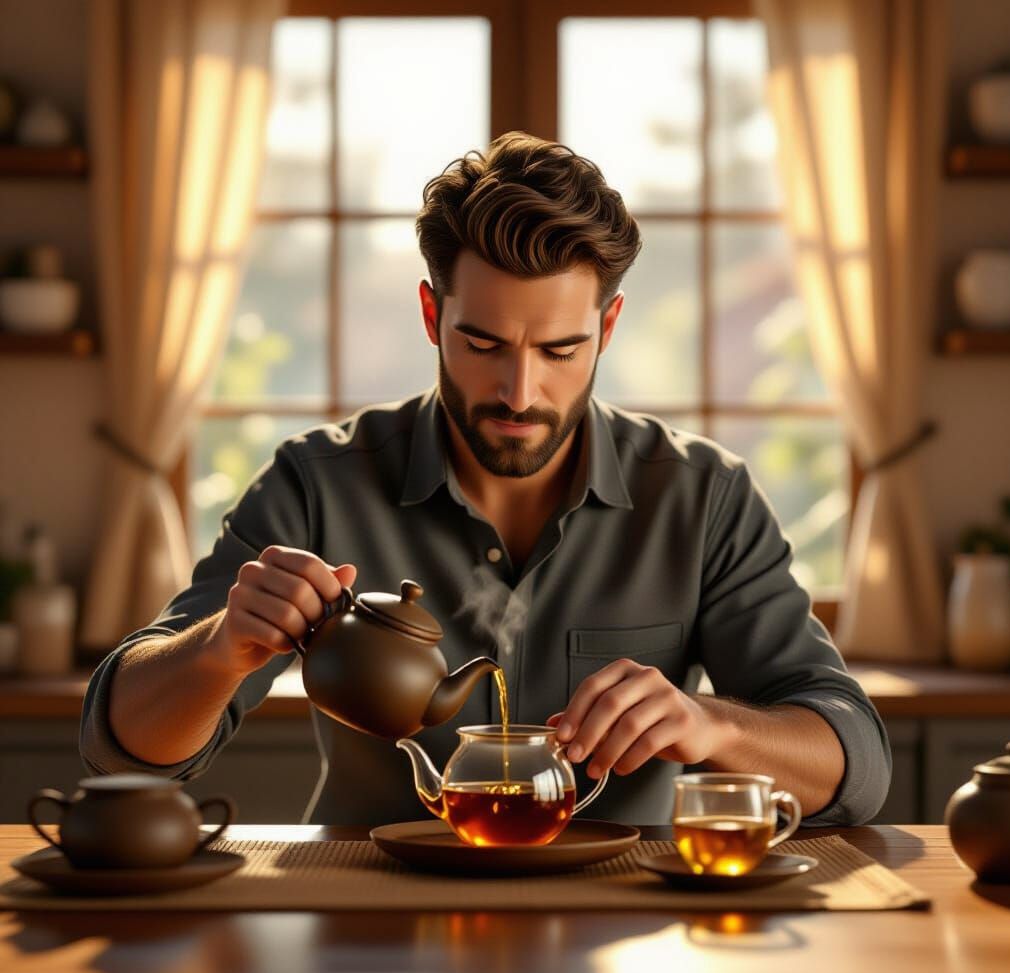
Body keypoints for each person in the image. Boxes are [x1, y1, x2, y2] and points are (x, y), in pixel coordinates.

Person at [80, 131, 891, 827]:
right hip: (366, 924)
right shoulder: (316, 485)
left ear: (607, 327)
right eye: (484, 344)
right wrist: (219, 648)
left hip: (633, 930)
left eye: (560, 351)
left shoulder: (702, 497)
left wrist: (712, 726)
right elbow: (122, 750)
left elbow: (855, 764)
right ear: (433, 317)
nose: (519, 392)